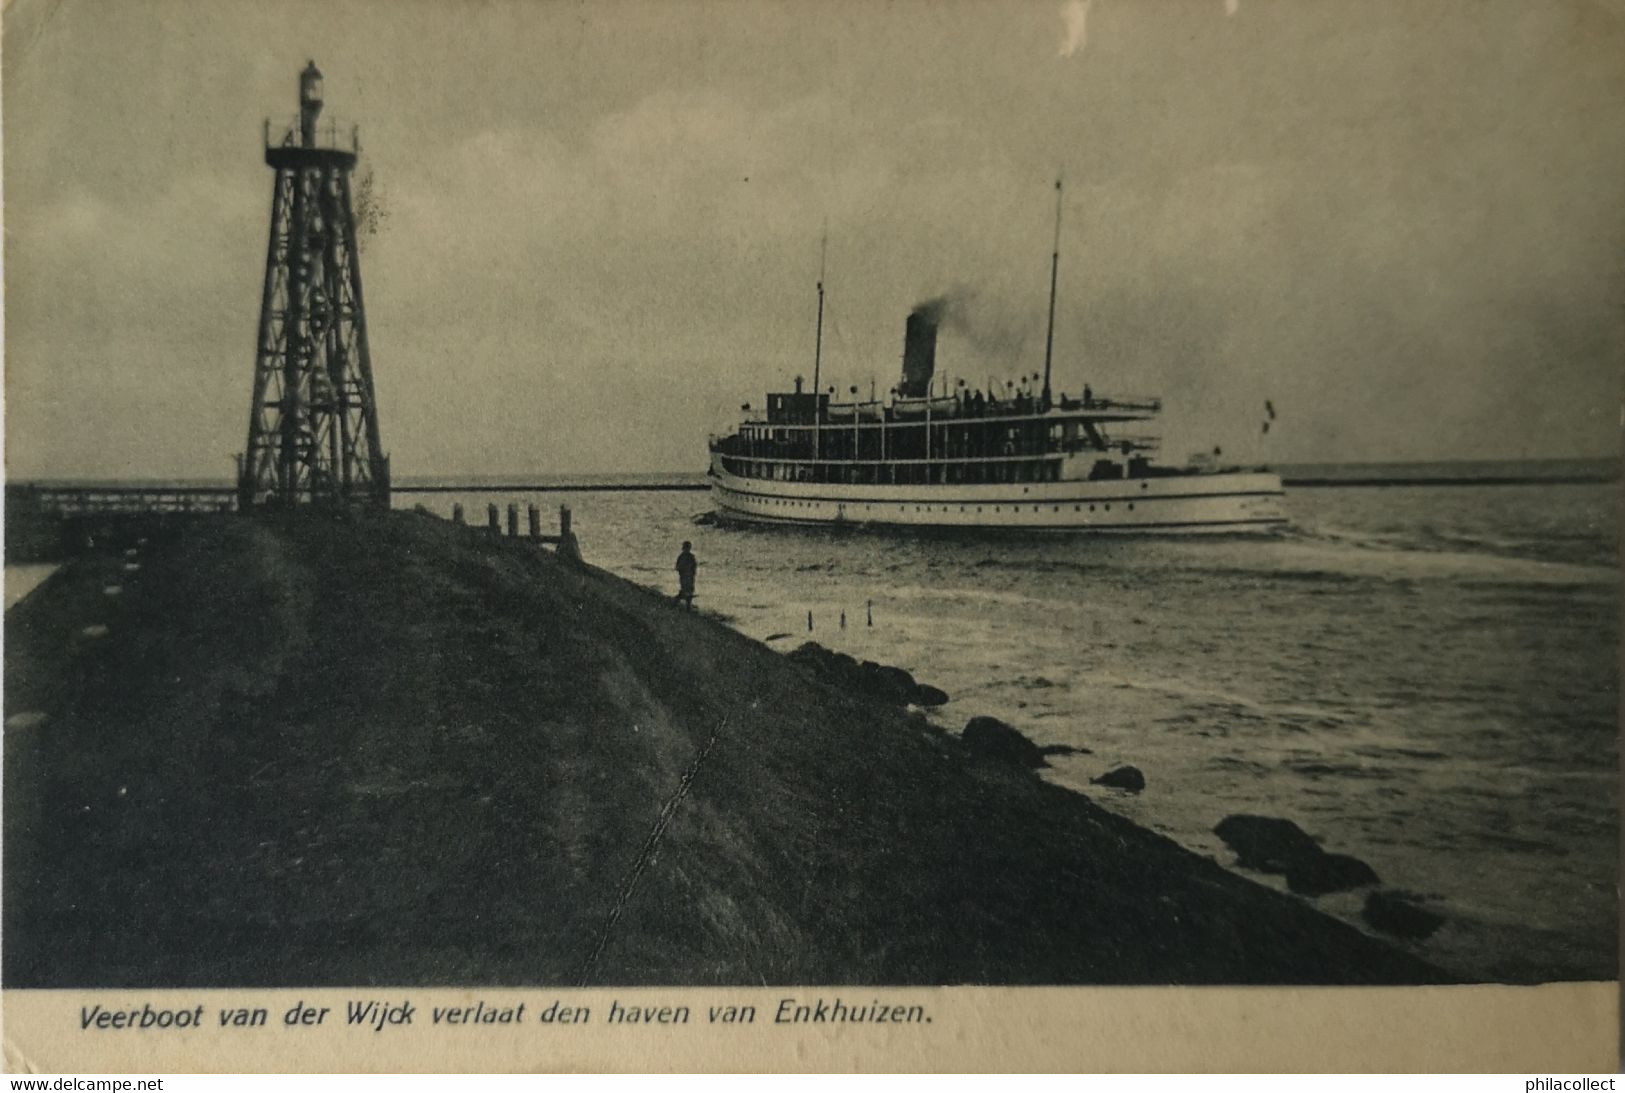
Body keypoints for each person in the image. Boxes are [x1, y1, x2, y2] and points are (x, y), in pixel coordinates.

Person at [675, 541, 698, 609]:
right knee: (686, 590)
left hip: (688, 576)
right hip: (685, 576)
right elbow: (678, 567)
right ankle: (680, 603)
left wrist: (692, 573)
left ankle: (686, 605)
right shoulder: (684, 556)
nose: (687, 549)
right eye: (686, 548)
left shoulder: (687, 556)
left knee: (688, 590)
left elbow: (694, 566)